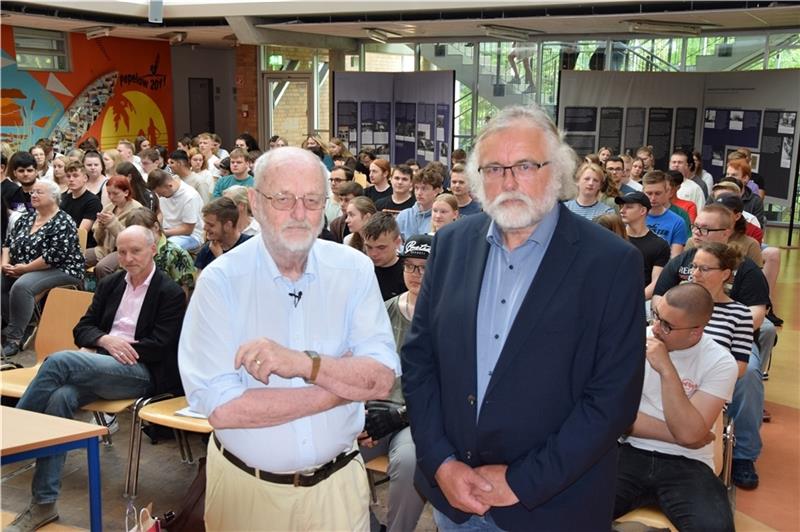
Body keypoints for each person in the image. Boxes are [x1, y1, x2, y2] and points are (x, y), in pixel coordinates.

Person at [402, 105, 646, 530]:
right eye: (494, 168)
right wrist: (440, 461)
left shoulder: (611, 263)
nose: (508, 182)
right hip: (454, 497)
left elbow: (612, 400)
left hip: (550, 504)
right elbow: (421, 362)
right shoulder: (451, 245)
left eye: (525, 165)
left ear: (558, 171)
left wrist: (522, 480)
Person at [178, 146, 400, 530]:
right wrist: (340, 385)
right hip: (247, 494)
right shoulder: (220, 282)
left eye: (312, 200)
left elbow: (380, 378)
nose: (299, 213)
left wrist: (303, 364)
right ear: (254, 202)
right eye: (282, 198)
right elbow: (223, 408)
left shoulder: (354, 270)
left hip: (338, 494)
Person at [5, 225, 186, 532]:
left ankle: (11, 433)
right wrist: (105, 341)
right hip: (99, 362)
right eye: (122, 251)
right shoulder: (111, 283)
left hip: (141, 373)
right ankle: (43, 505)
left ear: (153, 250)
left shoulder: (169, 292)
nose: (127, 258)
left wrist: (119, 346)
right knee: (62, 397)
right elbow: (82, 329)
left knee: (60, 360)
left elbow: (161, 346)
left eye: (135, 251)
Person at [653, 203, 774, 491]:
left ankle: (743, 453)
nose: (699, 233)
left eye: (706, 228)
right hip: (677, 346)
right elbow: (659, 298)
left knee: (748, 376)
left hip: (725, 350)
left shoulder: (746, 271)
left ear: (726, 232)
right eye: (697, 227)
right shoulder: (684, 262)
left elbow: (756, 314)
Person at [614, 283, 738, 531]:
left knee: (715, 527)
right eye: (657, 316)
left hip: (689, 463)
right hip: (628, 451)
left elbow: (689, 433)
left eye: (668, 326)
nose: (656, 328)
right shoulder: (631, 341)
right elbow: (617, 418)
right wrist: (686, 435)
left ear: (696, 332)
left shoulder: (721, 362)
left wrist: (666, 369)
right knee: (564, 512)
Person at [361, 233, 431, 532]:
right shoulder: (383, 309)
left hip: (417, 418)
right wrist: (363, 413)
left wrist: (398, 417)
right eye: (410, 266)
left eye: (424, 267)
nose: (416, 274)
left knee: (410, 462)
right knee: (331, 448)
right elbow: (364, 366)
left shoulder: (449, 317)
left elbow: (449, 387)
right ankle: (368, 524)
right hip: (376, 409)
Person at [1, 180, 85, 357]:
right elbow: (8, 244)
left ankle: (15, 338)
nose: (33, 195)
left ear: (54, 197)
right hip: (25, 266)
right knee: (3, 281)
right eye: (32, 192)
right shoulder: (26, 218)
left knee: (22, 286)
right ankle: (22, 324)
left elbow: (53, 257)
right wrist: (4, 263)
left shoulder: (63, 221)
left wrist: (24, 269)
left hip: (62, 269)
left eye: (39, 192)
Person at [691, 241, 754, 377]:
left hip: (711, 388)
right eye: (694, 266)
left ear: (725, 274)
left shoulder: (740, 314)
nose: (695, 274)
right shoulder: (679, 301)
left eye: (704, 269)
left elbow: (740, 367)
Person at [616, 191, 670, 300]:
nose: (622, 210)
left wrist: (633, 301)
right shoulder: (614, 238)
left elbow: (656, 282)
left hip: (641, 302)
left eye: (629, 207)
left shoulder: (659, 245)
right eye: (622, 206)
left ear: (643, 211)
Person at [86, 176, 143, 269]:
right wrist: (101, 226)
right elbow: (97, 239)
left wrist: (112, 223)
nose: (111, 197)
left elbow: (131, 239)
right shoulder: (109, 208)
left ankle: (107, 284)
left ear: (126, 192)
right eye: (109, 193)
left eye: (115, 193)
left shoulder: (136, 209)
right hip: (104, 249)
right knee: (76, 258)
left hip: (124, 251)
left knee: (102, 267)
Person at [147, 169, 205, 250]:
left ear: (169, 185)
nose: (160, 196)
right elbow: (160, 212)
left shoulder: (190, 197)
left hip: (191, 236)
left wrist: (163, 232)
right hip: (167, 231)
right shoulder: (164, 190)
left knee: (166, 248)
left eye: (161, 194)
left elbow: (188, 229)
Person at [194, 197, 252, 271]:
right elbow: (200, 280)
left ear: (228, 225)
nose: (205, 228)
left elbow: (242, 280)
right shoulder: (207, 249)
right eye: (205, 223)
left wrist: (220, 257)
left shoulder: (248, 246)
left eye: (211, 225)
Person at [642, 170, 687, 257]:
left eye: (658, 193)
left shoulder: (678, 222)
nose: (653, 198)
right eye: (649, 193)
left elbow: (674, 259)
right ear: (643, 191)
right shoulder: (633, 216)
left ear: (667, 192)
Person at [60, 160, 103, 248]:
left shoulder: (93, 201)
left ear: (85, 178)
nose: (71, 179)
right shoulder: (64, 198)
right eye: (68, 176)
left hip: (83, 245)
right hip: (64, 241)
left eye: (75, 176)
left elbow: (81, 232)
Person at [396, 164, 444, 239]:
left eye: (424, 189)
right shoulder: (403, 216)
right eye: (416, 188)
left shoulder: (440, 218)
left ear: (436, 191)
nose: (419, 193)